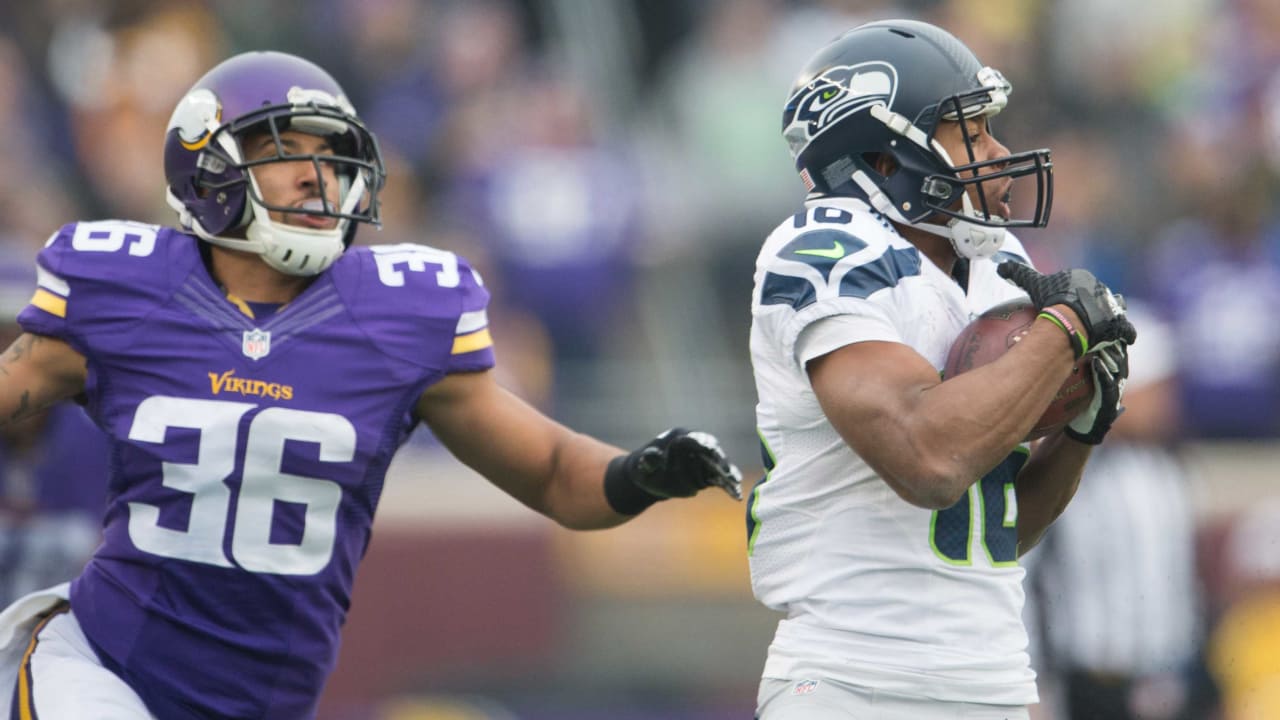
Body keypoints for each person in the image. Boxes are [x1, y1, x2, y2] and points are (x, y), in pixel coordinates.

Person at [0, 51, 742, 720]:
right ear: (207, 165)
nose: (316, 175)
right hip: (100, 667)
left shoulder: (397, 314)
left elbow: (550, 473)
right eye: (285, 150)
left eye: (332, 156)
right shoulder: (125, 288)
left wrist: (643, 472)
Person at [745, 19, 1136, 719]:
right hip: (854, 681)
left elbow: (997, 528)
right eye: (972, 130)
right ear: (886, 157)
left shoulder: (992, 264)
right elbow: (929, 459)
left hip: (992, 680)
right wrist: (1066, 331)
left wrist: (1080, 430)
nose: (999, 150)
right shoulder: (828, 247)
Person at [1024, 302, 1216, 720]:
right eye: (1156, 386)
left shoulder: (1170, 465)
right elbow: (1027, 576)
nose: (1166, 400)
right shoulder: (1066, 468)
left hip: (1168, 683)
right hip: (1089, 682)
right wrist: (1035, 682)